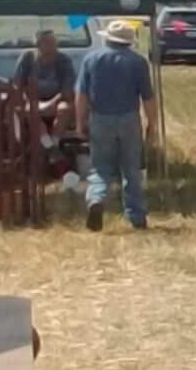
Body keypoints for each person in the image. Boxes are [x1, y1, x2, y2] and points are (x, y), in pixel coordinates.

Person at [76, 18, 158, 230]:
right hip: (129, 118)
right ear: (129, 41)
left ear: (108, 38)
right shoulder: (138, 62)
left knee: (100, 167)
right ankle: (136, 216)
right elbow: (147, 97)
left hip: (100, 118)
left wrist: (79, 122)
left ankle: (96, 198)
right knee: (131, 169)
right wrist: (152, 123)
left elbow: (82, 95)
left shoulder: (91, 59)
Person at [13, 27, 79, 143]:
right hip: (32, 100)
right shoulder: (27, 58)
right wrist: (27, 99)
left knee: (64, 109)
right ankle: (46, 143)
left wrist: (51, 103)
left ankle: (55, 142)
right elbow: (18, 84)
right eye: (48, 42)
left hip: (57, 99)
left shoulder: (64, 60)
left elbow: (67, 88)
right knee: (30, 110)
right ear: (38, 45)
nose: (53, 45)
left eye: (54, 42)